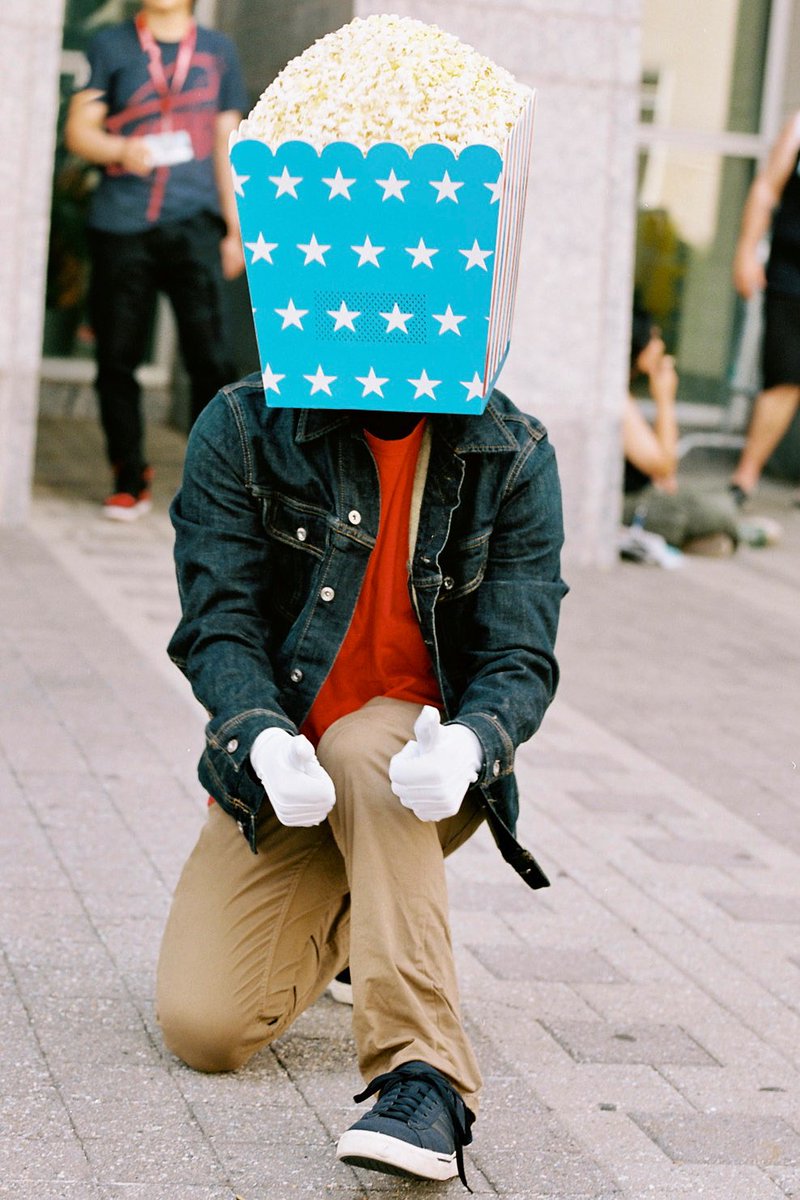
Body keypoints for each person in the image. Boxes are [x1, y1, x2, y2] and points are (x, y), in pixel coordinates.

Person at [154, 384, 567, 1186]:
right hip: (289, 772)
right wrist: (263, 739)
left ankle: (426, 1078)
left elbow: (520, 656)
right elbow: (217, 622)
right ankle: (370, 917)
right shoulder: (243, 426)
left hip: (417, 770)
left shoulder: (511, 451)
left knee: (362, 745)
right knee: (206, 1029)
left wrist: (469, 746)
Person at [64, 0, 248, 520]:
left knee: (211, 360)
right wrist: (120, 150)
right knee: (116, 358)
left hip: (195, 223)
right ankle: (129, 477)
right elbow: (79, 131)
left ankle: (214, 486)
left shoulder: (218, 50)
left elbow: (226, 143)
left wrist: (235, 230)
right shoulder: (111, 45)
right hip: (122, 223)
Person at [622, 307, 744, 558]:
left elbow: (662, 470)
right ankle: (729, 534)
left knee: (711, 497)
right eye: (654, 337)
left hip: (645, 495)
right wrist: (665, 398)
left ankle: (711, 537)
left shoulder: (623, 392)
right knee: (721, 509)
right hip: (623, 506)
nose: (660, 346)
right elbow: (664, 465)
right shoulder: (616, 397)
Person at [729, 111, 800, 505]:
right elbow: (766, 189)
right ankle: (745, 479)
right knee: (784, 376)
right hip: (791, 274)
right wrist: (746, 250)